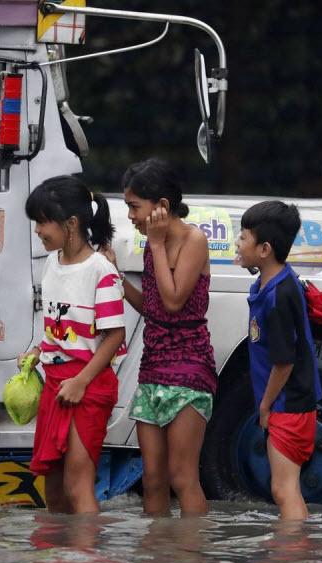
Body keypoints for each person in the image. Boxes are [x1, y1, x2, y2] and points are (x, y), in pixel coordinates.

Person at [101, 159, 216, 517]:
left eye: (135, 206)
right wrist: (117, 278)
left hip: (190, 371)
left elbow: (173, 300)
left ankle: (190, 556)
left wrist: (155, 245)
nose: (131, 215)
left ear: (161, 206)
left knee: (182, 478)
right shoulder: (155, 243)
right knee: (152, 478)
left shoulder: (193, 239)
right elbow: (154, 309)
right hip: (154, 369)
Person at [17, 175, 127, 515]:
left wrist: (81, 382)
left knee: (78, 485)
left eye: (42, 221)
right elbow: (58, 327)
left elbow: (114, 335)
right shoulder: (53, 263)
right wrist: (38, 351)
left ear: (71, 224)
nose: (37, 230)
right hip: (56, 383)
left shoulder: (101, 270)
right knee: (53, 487)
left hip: (88, 384)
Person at [235, 200, 322, 520]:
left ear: (265, 249)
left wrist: (265, 406)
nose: (237, 243)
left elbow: (284, 362)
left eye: (243, 237)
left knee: (284, 490)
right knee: (284, 489)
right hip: (288, 403)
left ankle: (292, 559)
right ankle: (292, 555)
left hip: (289, 404)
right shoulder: (268, 284)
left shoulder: (278, 295)